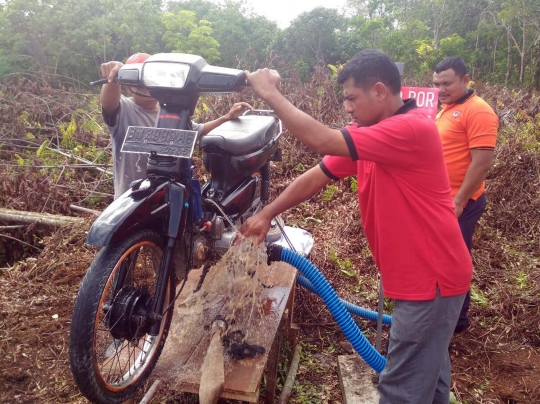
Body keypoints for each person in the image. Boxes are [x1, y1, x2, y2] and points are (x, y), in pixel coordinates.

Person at [241, 49, 473, 404]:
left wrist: (270, 94)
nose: (347, 108)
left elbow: (322, 139)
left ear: (379, 91)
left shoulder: (409, 129)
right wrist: (268, 212)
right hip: (425, 280)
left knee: (401, 391)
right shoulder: (376, 133)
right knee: (430, 384)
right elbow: (317, 175)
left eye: (351, 98)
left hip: (432, 282)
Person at [100, 52, 253, 198]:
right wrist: (114, 78)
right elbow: (108, 102)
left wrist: (226, 117)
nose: (147, 92)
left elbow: (198, 131)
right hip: (130, 199)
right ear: (128, 87)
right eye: (140, 86)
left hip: (165, 198)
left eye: (150, 85)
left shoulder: (168, 114)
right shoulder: (124, 110)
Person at [433, 57, 499, 333]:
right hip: (442, 201)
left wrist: (458, 201)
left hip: (462, 203)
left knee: (453, 261)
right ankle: (448, 316)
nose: (441, 89)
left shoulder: (478, 111)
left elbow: (482, 162)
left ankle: (456, 321)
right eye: (436, 84)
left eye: (447, 83)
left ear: (465, 79)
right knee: (445, 259)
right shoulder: (447, 109)